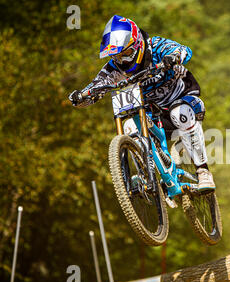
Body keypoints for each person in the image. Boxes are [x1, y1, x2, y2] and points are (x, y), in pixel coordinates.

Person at [68, 15, 215, 191]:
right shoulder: (115, 67)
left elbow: (183, 49)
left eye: (126, 54)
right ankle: (149, 173)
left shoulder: (155, 46)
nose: (123, 60)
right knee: (130, 125)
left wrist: (173, 57)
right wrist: (80, 96)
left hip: (184, 99)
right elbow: (96, 86)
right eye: (117, 56)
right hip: (153, 113)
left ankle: (203, 171)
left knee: (179, 112)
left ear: (137, 43)